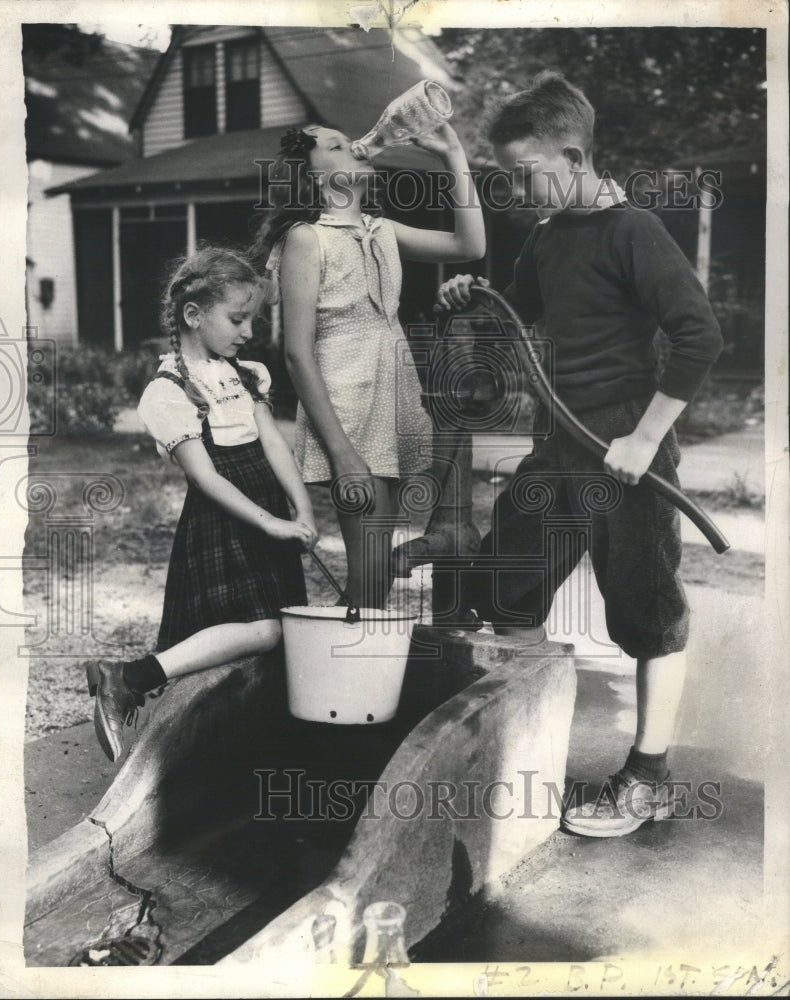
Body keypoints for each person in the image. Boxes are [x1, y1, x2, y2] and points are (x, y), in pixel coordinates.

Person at [437, 71, 723, 837]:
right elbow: (524, 307)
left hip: (624, 444)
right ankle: (525, 752)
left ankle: (649, 778)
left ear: (572, 153)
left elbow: (700, 335)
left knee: (646, 610)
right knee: (505, 586)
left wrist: (646, 437)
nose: (518, 192)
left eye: (525, 175)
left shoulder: (633, 231)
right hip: (559, 442)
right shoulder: (546, 236)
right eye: (507, 179)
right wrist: (473, 293)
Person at [87, 245, 318, 762]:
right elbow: (206, 476)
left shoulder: (245, 374)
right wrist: (270, 524)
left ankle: (239, 742)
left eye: (251, 319)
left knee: (269, 631)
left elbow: (274, 444)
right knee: (266, 628)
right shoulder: (168, 392)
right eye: (237, 318)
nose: (248, 331)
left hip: (265, 505)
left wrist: (300, 510)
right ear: (194, 315)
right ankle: (129, 677)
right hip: (225, 518)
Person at [257, 121, 485, 609]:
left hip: (392, 404)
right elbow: (297, 353)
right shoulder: (306, 238)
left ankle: (341, 673)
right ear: (315, 179)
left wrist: (453, 154)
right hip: (346, 415)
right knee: (372, 576)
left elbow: (471, 246)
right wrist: (342, 455)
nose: (356, 145)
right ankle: (329, 675)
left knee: (375, 579)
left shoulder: (383, 231)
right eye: (337, 145)